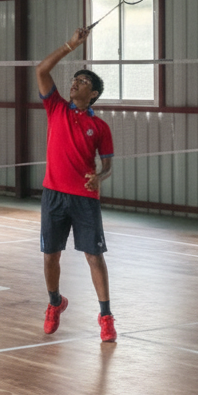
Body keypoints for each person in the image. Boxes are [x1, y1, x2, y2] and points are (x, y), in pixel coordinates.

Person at [35, 28, 116, 343]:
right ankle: (55, 303)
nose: (74, 83)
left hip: (84, 198)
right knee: (50, 255)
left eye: (82, 82)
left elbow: (107, 163)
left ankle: (106, 316)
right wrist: (71, 44)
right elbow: (42, 70)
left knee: (94, 257)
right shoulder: (55, 107)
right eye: (74, 79)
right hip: (53, 194)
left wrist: (101, 175)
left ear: (93, 94)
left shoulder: (100, 126)